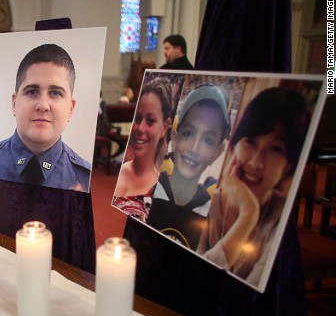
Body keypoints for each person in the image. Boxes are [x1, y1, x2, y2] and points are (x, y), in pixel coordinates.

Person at [197, 87, 310, 286]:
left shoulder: (280, 218)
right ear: (233, 146)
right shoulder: (204, 199)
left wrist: (248, 212)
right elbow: (197, 277)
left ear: (289, 166)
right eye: (250, 142)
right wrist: (248, 214)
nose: (256, 162)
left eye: (276, 149)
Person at [0, 43, 91, 192]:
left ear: (70, 108)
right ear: (14, 103)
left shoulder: (85, 178)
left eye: (55, 93)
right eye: (32, 91)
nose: (43, 105)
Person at [147, 84, 230, 250]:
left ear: (217, 153)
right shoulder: (148, 194)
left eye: (208, 140)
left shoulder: (210, 214)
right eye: (188, 133)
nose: (194, 148)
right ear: (175, 138)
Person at [112, 77, 173, 221]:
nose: (140, 128)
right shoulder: (120, 171)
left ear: (164, 127)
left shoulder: (160, 191)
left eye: (150, 121)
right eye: (138, 118)